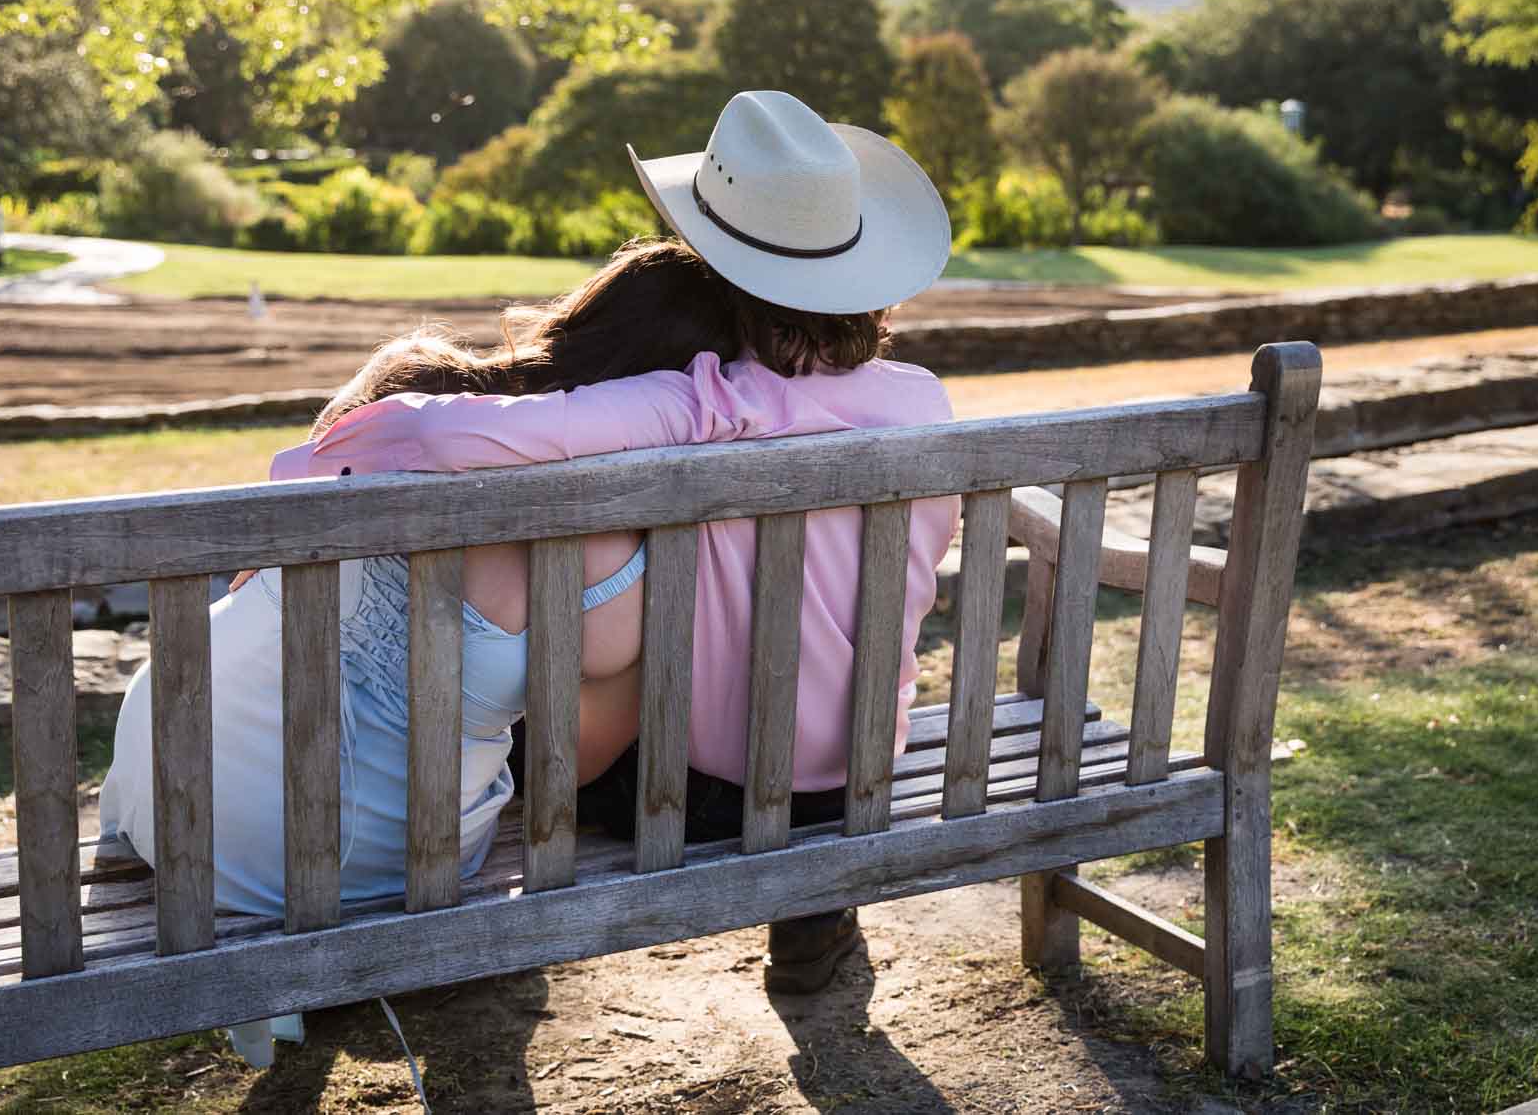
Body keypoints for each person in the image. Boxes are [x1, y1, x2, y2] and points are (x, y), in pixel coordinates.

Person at [99, 89, 958, 998]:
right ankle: (815, 931)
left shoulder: (706, 403)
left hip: (704, 792)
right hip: (861, 766)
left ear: (721, 272)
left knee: (576, 702)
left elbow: (441, 437)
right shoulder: (923, 403)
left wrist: (296, 477)